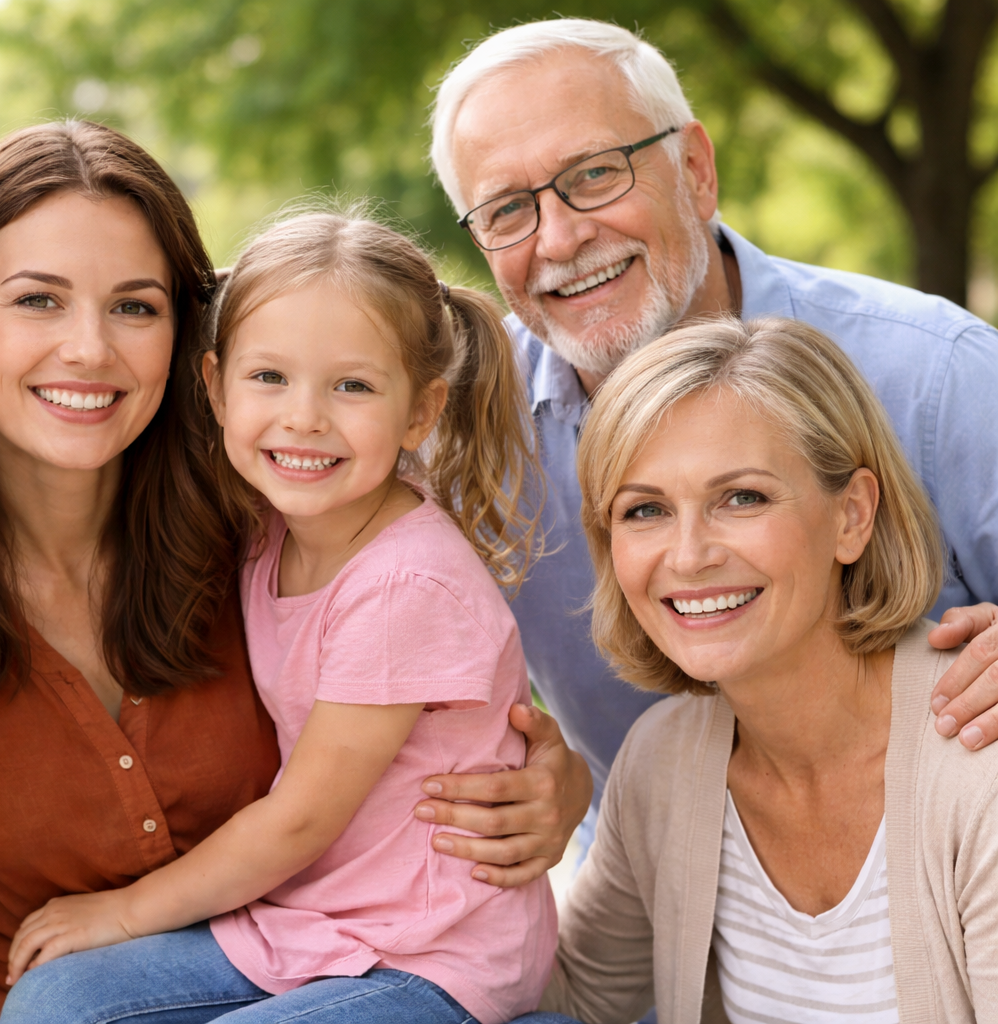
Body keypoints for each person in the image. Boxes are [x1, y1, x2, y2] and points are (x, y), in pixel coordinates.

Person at [0, 122, 587, 1024]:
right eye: (38, 300)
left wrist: (559, 781)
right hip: (264, 952)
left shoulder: (264, 527)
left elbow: (440, 732)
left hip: (391, 955)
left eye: (135, 307)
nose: (89, 349)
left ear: (182, 340)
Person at [414, 19, 998, 860]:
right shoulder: (459, 434)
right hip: (656, 914)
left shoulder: (937, 376)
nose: (560, 238)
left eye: (595, 174)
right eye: (508, 209)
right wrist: (549, 780)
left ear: (695, 170)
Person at [539, 316, 998, 1022]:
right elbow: (571, 1003)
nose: (689, 556)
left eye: (742, 498)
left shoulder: (979, 759)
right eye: (645, 510)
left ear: (852, 516)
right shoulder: (663, 762)